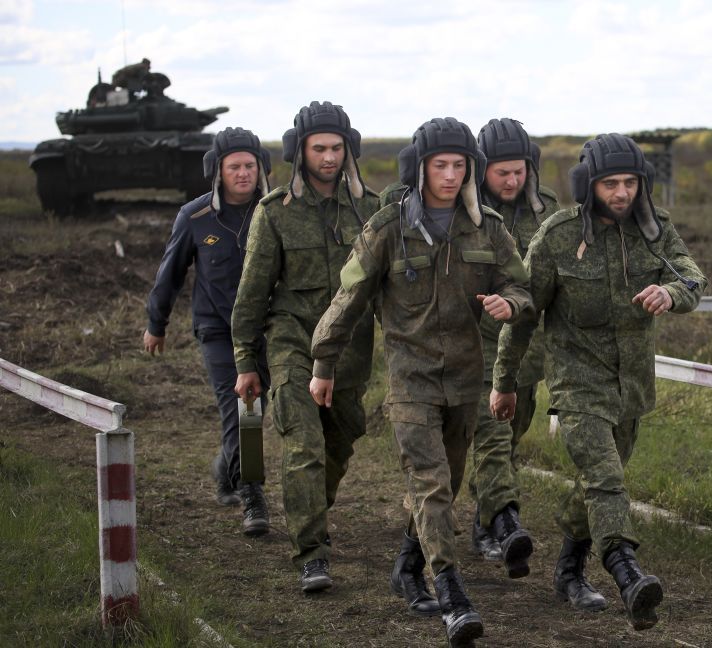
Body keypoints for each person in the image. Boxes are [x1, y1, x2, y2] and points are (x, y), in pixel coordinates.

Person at [308, 117, 532, 646]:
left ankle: (408, 565)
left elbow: (521, 286)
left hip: (466, 381)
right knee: (431, 485)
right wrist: (323, 363)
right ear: (421, 168)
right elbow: (348, 298)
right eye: (440, 165)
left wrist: (511, 303)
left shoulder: (487, 228)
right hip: (410, 380)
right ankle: (452, 596)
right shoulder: (388, 227)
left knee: (443, 487)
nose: (450, 176)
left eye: (459, 165)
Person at [491, 133, 708, 631]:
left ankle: (569, 569)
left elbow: (693, 277)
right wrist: (504, 382)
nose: (622, 192)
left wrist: (672, 293)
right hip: (577, 384)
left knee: (595, 481)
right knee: (607, 478)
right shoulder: (558, 236)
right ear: (588, 184)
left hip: (631, 386)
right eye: (611, 183)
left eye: (630, 182)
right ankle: (627, 574)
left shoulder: (655, 230)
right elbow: (523, 314)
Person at [231, 101, 380, 593]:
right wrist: (246, 361)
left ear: (349, 149)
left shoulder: (371, 209)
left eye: (337, 148)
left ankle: (311, 508)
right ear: (300, 152)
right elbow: (252, 293)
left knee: (341, 439)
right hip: (292, 341)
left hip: (350, 349)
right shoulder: (275, 211)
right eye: (319, 148)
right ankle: (312, 553)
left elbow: (386, 286)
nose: (329, 157)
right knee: (304, 444)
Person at [143, 126, 273, 537]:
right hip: (217, 330)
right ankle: (251, 493)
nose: (243, 173)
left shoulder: (275, 211)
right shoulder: (195, 217)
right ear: (217, 170)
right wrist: (156, 323)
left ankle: (224, 467)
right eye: (234, 167)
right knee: (243, 406)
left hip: (268, 328)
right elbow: (171, 272)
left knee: (256, 410)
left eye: (250, 165)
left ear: (261, 168)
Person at [468, 118, 559, 579]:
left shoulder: (549, 212)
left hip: (526, 351)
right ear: (482, 169)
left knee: (511, 437)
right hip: (478, 345)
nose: (511, 180)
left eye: (519, 171)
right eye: (501, 172)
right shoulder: (466, 212)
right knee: (494, 437)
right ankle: (501, 525)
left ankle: (484, 515)